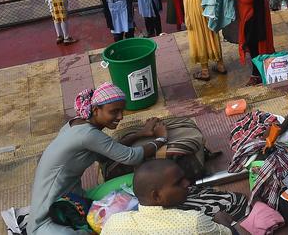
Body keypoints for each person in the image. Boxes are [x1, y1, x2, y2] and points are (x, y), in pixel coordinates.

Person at [29, 83, 168, 234]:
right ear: (96, 110)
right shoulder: (88, 135)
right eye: (114, 111)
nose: (120, 117)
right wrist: (162, 138)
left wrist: (141, 134)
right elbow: (131, 157)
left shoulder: (76, 123)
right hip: (49, 216)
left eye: (122, 111)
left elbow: (106, 153)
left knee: (142, 180)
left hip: (77, 199)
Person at [103, 158, 237, 235]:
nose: (187, 184)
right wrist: (222, 219)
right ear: (156, 196)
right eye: (178, 183)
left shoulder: (113, 223)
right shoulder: (193, 221)